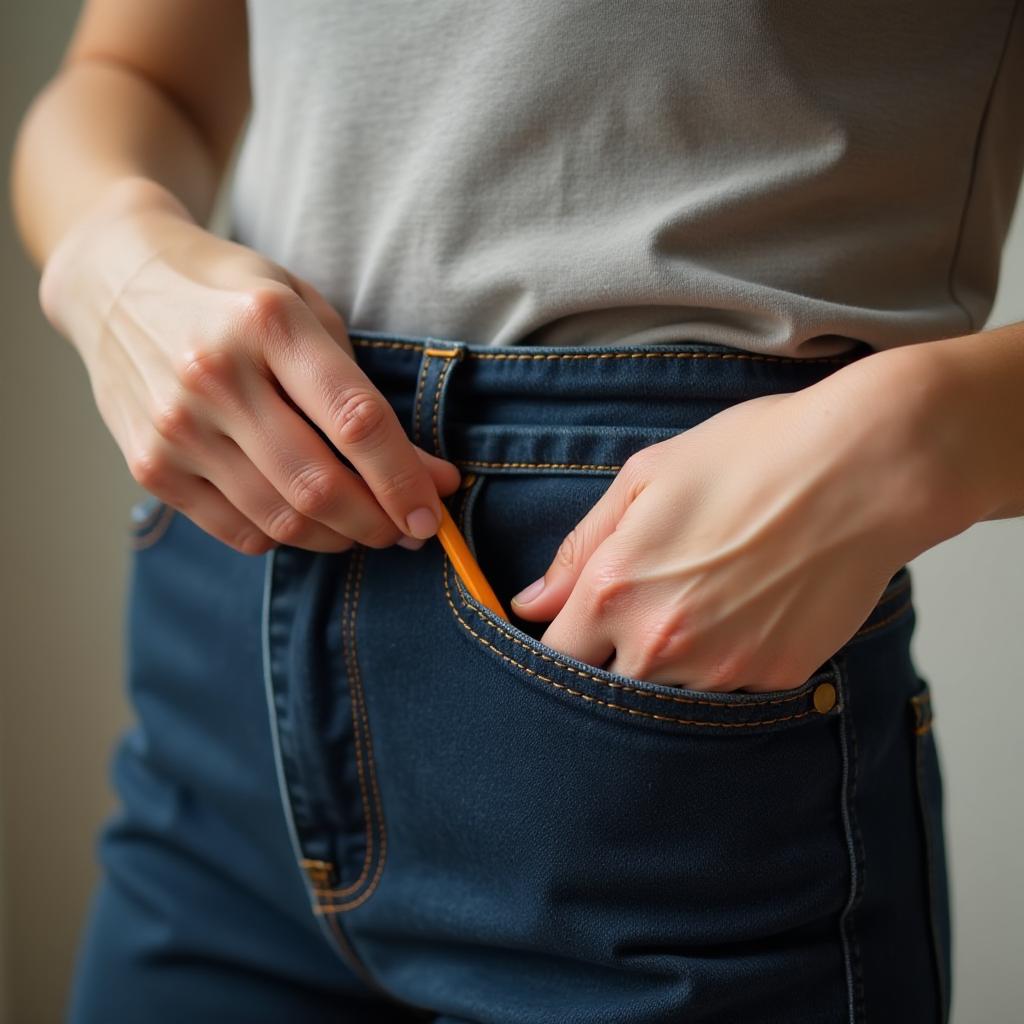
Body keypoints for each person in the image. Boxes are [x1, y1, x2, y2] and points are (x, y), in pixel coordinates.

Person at [10, 1, 1024, 1021]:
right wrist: (112, 259)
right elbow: (140, 79)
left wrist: (918, 438)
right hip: (225, 693)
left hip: (659, 696)